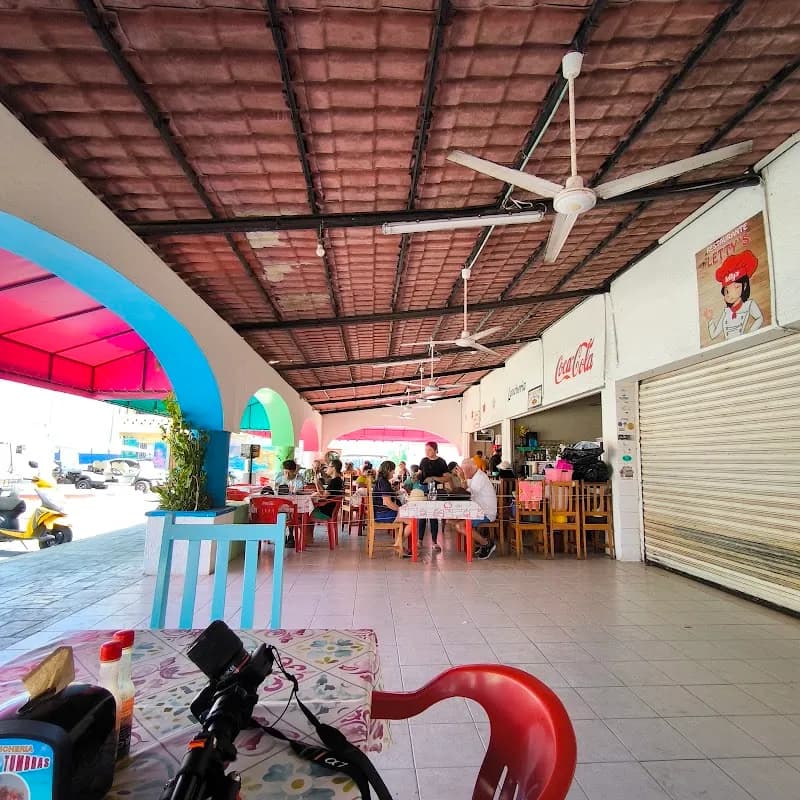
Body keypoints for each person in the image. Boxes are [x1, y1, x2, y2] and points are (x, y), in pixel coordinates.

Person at [704, 250, 764, 341]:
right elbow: (713, 335)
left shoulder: (748, 305)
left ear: (744, 287)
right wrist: (709, 320)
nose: (729, 295)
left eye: (736, 287)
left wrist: (749, 335)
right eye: (727, 291)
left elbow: (760, 318)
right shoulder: (726, 312)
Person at [455, 458, 498, 559]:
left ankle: (486, 544)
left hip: (486, 513)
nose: (464, 474)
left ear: (469, 469)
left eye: (464, 471)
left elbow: (468, 494)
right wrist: (462, 479)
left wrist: (462, 478)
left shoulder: (480, 478)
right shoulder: (474, 477)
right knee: (453, 521)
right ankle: (478, 543)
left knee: (460, 526)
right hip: (477, 511)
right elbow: (466, 488)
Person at [372, 460, 411, 556]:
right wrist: (400, 509)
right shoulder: (384, 482)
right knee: (413, 521)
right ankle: (399, 545)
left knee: (410, 518)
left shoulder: (380, 481)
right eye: (393, 470)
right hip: (383, 514)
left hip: (380, 512)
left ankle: (399, 544)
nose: (394, 472)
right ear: (388, 470)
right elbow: (387, 502)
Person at [418, 441, 451, 552]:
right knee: (422, 515)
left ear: (435, 450)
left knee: (433, 515)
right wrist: (416, 476)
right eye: (426, 450)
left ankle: (434, 541)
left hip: (435, 490)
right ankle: (419, 540)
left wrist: (433, 478)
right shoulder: (423, 461)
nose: (427, 452)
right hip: (423, 490)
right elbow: (420, 474)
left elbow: (447, 477)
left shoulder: (441, 462)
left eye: (429, 450)